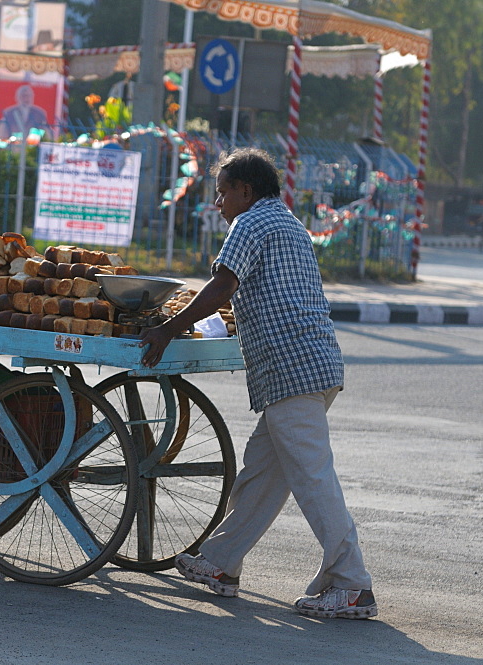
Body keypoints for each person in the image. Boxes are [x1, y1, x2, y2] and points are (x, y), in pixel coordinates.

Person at [139, 147, 376, 620]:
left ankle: (352, 586)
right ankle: (221, 565)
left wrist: (167, 329)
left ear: (246, 191)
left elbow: (224, 286)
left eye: (224, 192)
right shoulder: (288, 223)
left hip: (291, 370)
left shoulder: (249, 224)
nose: (219, 202)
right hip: (311, 366)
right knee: (261, 476)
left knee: (313, 479)